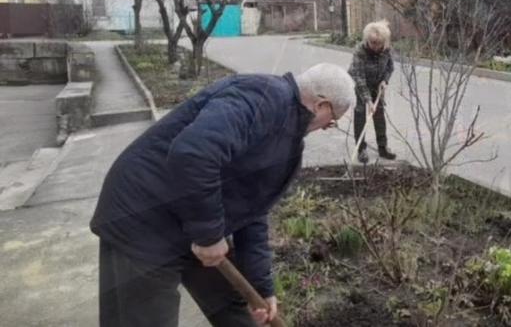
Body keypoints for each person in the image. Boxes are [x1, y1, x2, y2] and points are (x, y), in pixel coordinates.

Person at [90, 63, 355, 327]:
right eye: (331, 123)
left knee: (235, 311)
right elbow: (193, 153)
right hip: (143, 213)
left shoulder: (287, 135)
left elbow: (253, 211)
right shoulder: (259, 98)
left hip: (189, 214)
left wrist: (262, 287)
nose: (324, 129)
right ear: (321, 105)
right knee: (143, 317)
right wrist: (209, 235)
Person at [348, 19, 396, 163]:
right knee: (361, 115)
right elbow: (359, 77)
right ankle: (361, 149)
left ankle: (383, 147)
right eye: (372, 42)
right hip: (359, 85)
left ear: (384, 41)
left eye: (378, 43)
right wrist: (368, 100)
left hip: (377, 86)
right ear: (367, 39)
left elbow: (390, 68)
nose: (375, 46)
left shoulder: (386, 50)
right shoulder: (360, 51)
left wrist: (384, 81)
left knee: (379, 116)